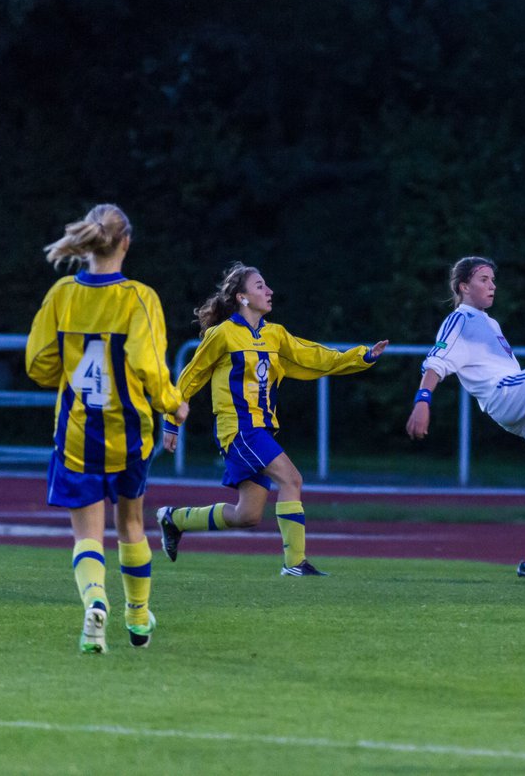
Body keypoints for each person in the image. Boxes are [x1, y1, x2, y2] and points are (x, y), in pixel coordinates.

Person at [25, 203, 188, 653]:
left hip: (77, 433)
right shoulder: (139, 297)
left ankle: (95, 602)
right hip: (129, 435)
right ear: (126, 242)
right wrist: (174, 404)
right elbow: (149, 366)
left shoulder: (62, 293)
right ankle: (137, 617)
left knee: (87, 535)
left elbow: (38, 365)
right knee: (133, 524)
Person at [157, 263, 387, 576]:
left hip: (259, 431)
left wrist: (362, 356)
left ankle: (174, 519)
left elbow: (315, 355)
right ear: (243, 297)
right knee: (291, 480)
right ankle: (295, 564)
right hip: (239, 431)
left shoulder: (274, 335)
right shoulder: (222, 334)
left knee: (247, 515)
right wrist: (172, 420)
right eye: (260, 286)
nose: (269, 291)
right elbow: (190, 377)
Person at [406, 256, 525, 579]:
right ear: (463, 286)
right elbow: (435, 363)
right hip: (505, 394)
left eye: (493, 279)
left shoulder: (490, 322)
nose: (492, 285)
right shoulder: (460, 320)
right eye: (484, 279)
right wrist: (422, 400)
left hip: (519, 404)